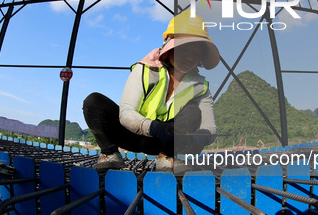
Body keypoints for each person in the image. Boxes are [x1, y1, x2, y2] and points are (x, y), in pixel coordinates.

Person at [83, 11, 220, 171]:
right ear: (170, 48)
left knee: (193, 112)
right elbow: (126, 112)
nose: (189, 57)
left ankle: (166, 158)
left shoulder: (200, 86)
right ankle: (110, 154)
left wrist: (202, 137)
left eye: (195, 53)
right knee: (94, 102)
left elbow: (210, 127)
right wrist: (155, 128)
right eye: (183, 49)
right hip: (131, 134)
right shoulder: (145, 69)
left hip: (168, 141)